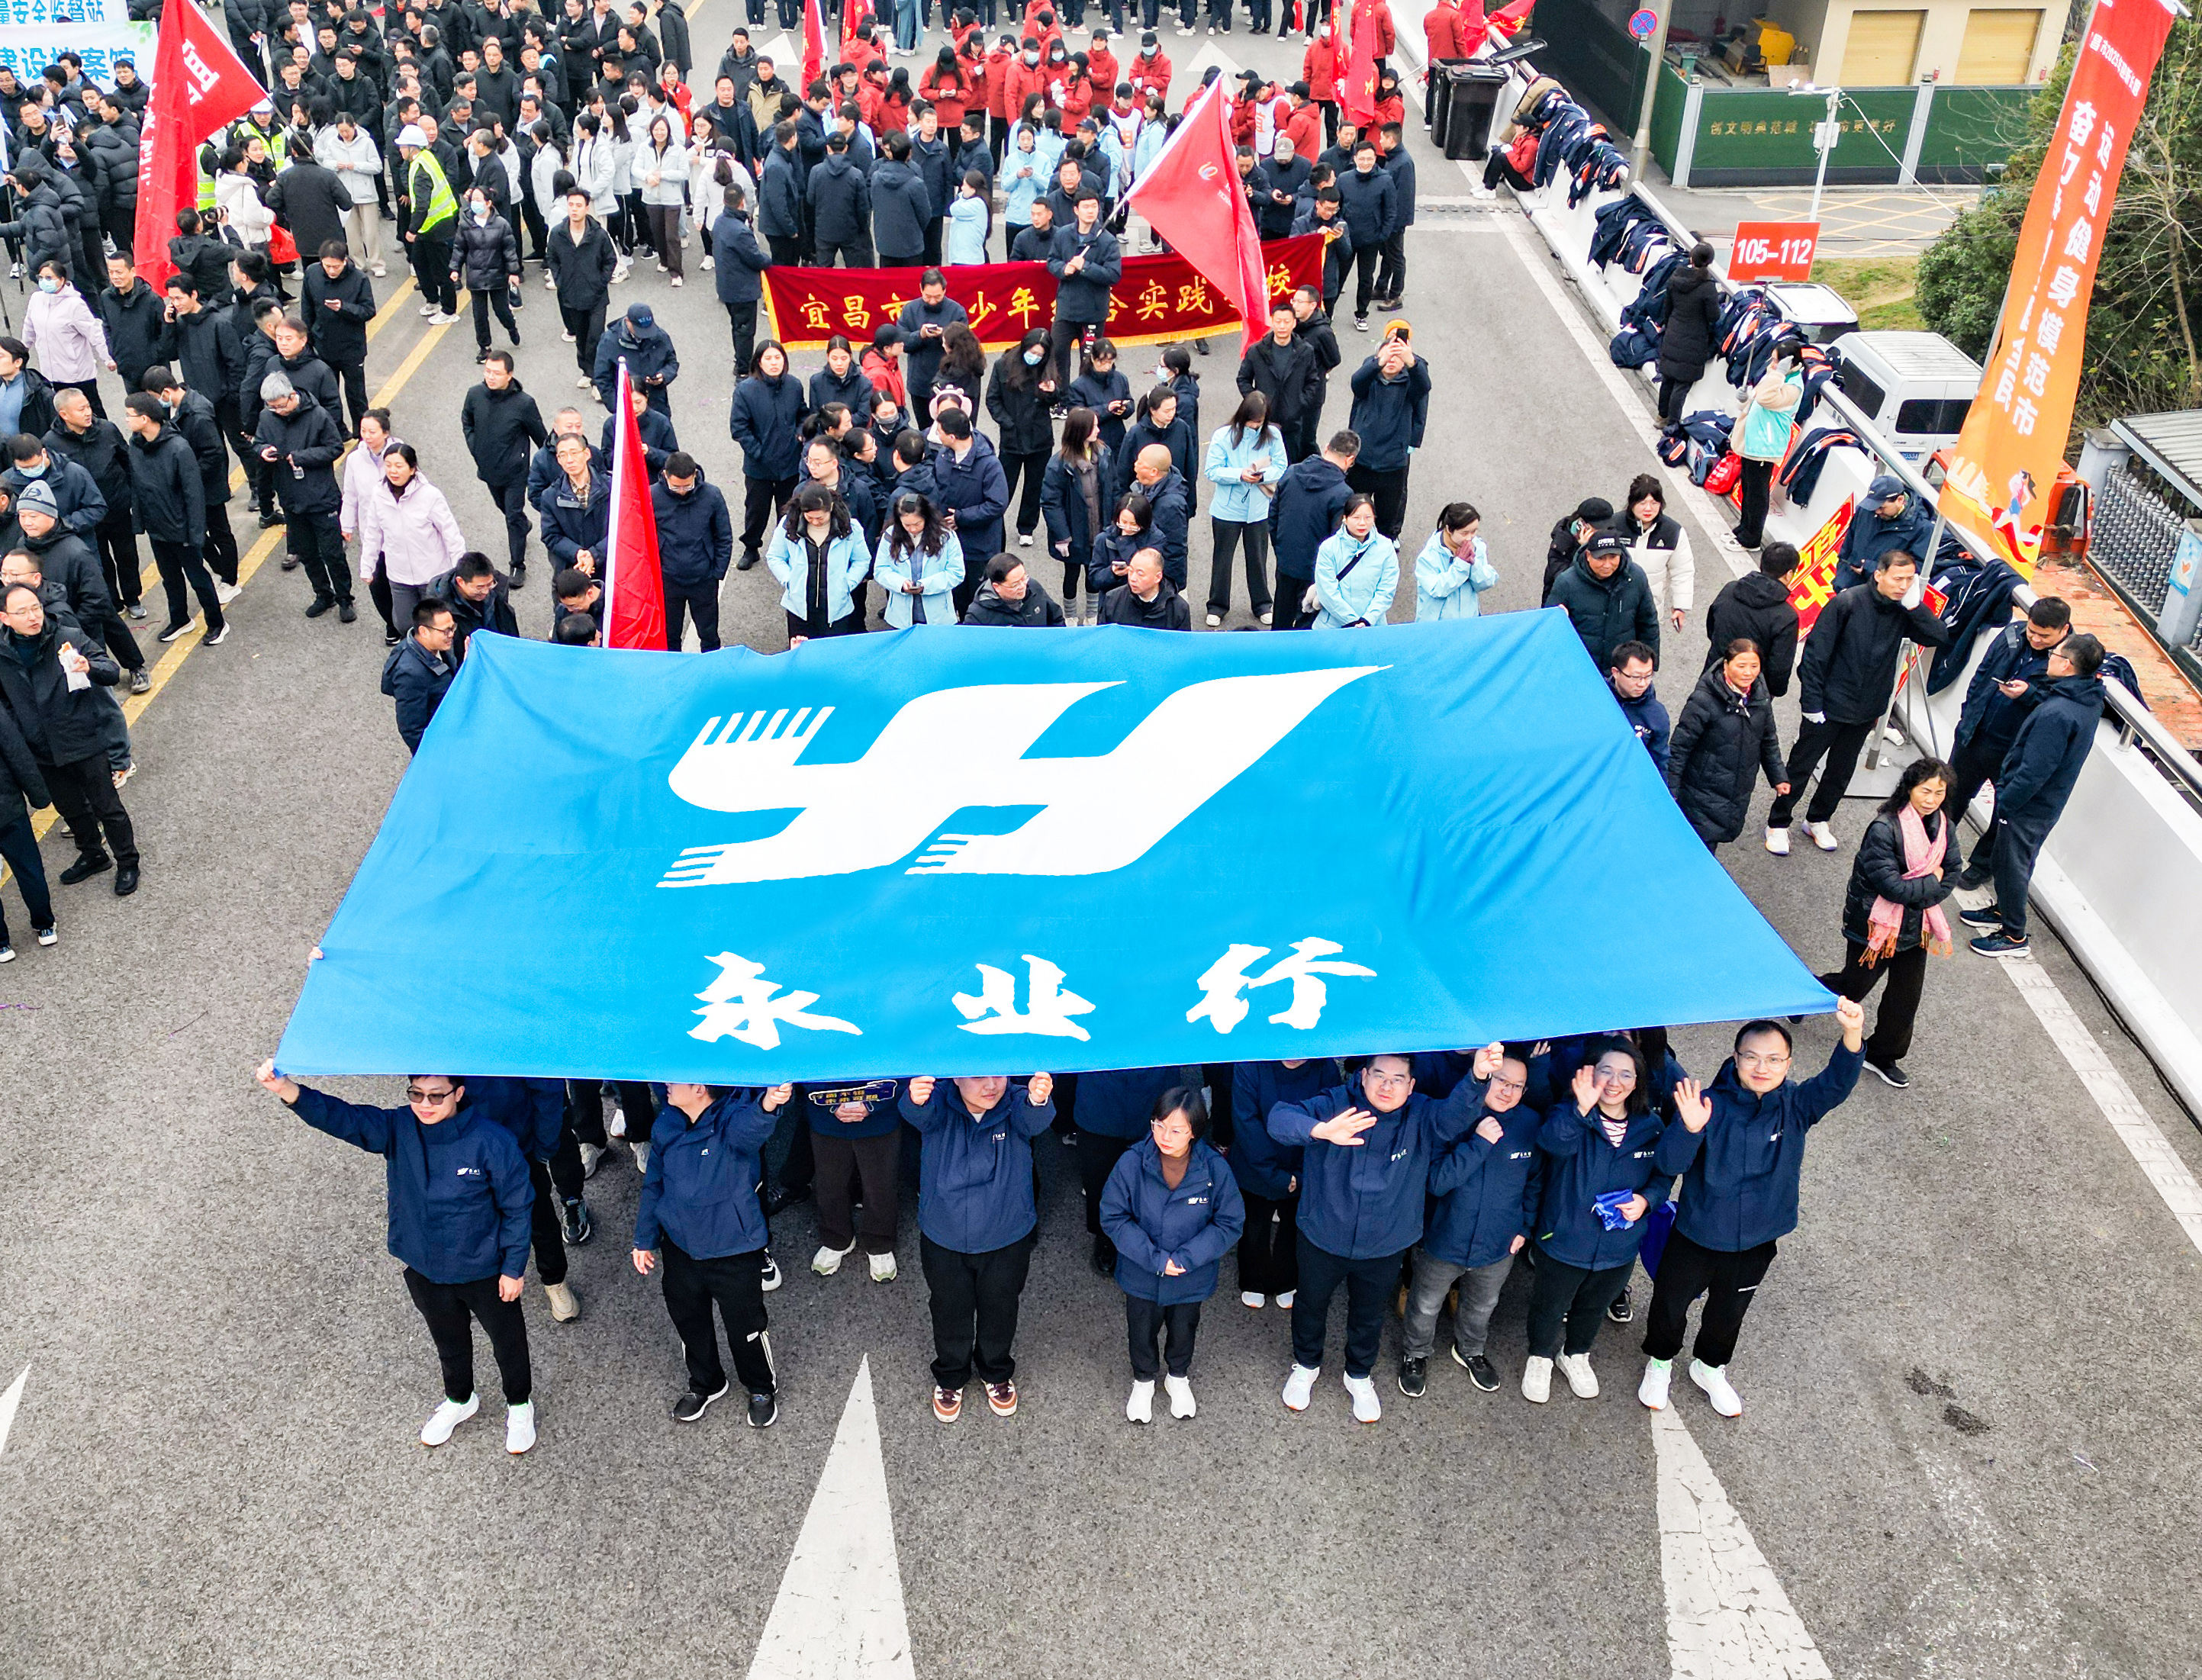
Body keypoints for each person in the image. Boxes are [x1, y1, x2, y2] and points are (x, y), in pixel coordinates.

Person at [254, 1060, 536, 1451]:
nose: (425, 1105)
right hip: (424, 1266)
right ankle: (460, 1399)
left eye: (436, 1096)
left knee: (508, 1343)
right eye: (416, 1094)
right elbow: (344, 1119)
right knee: (449, 1341)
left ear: (459, 1093)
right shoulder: (399, 1127)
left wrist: (513, 1268)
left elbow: (518, 1207)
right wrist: (287, 1090)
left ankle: (520, 1406)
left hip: (485, 1269)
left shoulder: (493, 1141)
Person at [1639, 1000, 1866, 1418]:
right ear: (1736, 1057)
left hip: (1759, 1239)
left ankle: (1710, 1368)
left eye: (1774, 1059)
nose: (1763, 1067)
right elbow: (1669, 1164)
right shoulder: (1706, 1104)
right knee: (1670, 1304)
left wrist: (1852, 1033)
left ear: (1788, 1063)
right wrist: (1689, 1128)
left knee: (1729, 1312)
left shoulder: (1796, 1104)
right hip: (1697, 1233)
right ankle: (1660, 1362)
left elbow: (1836, 1082)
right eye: (1752, 1057)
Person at [1266, 1055, 1477, 1422]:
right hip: (1323, 1235)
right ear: (1363, 1077)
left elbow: (1455, 1117)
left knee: (1368, 1315)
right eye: (1379, 1075)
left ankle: (1359, 1374)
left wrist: (1479, 1076)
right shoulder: (1335, 1103)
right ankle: (1306, 1365)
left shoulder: (1422, 1113)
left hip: (1385, 1243)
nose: (1387, 1086)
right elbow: (1278, 1119)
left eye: (1398, 1079)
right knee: (1310, 1305)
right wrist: (1321, 1130)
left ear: (1411, 1086)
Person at [1521, 1038, 1676, 1405]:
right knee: (1549, 1304)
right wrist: (1581, 1109)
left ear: (1637, 1082)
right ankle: (1540, 1357)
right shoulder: (1568, 1113)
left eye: (1626, 1074)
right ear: (1589, 1074)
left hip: (1619, 1244)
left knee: (1593, 1305)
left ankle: (1576, 1354)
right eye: (1606, 1071)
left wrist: (1647, 1201)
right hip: (1564, 1237)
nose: (1615, 1082)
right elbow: (1553, 1143)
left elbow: (1663, 1176)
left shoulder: (1650, 1126)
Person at [1766, 548, 1949, 855]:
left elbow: (1938, 637)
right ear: (1879, 575)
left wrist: (1916, 607)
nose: (1903, 585)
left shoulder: (1902, 611)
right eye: (1898, 578)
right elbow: (1815, 656)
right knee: (1800, 766)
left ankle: (1818, 819)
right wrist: (1811, 704)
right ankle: (1778, 822)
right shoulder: (1847, 603)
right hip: (1828, 706)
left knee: (1841, 772)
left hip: (1867, 709)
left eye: (1909, 580)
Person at [632, 1082, 792, 1427]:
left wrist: (769, 1102)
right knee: (689, 1321)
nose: (666, 1084)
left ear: (700, 1089)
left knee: (746, 1327)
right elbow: (654, 1185)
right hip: (681, 1248)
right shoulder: (666, 1124)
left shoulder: (732, 1119)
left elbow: (752, 1127)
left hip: (734, 1250)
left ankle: (760, 1388)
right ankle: (706, 1383)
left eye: (674, 1080)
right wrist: (644, 1239)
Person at [901, 1070, 1058, 1421]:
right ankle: (950, 1375)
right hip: (945, 1234)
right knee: (949, 1309)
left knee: (1001, 1308)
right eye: (976, 1076)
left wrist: (1039, 1099)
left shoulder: (1017, 1102)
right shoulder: (937, 1102)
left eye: (998, 1074)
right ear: (954, 1077)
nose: (990, 1085)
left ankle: (996, 1371)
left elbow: (1035, 1121)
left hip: (1006, 1235)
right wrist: (914, 1097)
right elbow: (916, 1114)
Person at [1099, 1086, 1246, 1424]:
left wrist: (1186, 1259)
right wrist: (1155, 1258)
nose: (1165, 1137)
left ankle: (1178, 1376)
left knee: (1185, 1328)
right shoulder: (1132, 1162)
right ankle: (1143, 1380)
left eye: (1177, 1130)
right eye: (1159, 1125)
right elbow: (1113, 1215)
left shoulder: (1214, 1168)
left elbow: (1229, 1221)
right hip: (1142, 1271)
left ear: (1195, 1131)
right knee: (1140, 1328)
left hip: (1190, 1274)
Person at [1399, 1044, 1539, 1397]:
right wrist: (1479, 1143)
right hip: (1444, 1238)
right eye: (1501, 1080)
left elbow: (1535, 1183)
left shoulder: (1530, 1124)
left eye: (1517, 1086)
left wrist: (1524, 1229)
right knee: (1425, 1303)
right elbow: (1437, 1182)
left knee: (1482, 1305)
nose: (1507, 1091)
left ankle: (1471, 1350)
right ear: (1484, 1077)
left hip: (1499, 1243)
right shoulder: (1452, 1118)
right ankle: (1416, 1354)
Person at [1961, 633, 2107, 961]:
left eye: (2055, 653)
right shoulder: (2087, 699)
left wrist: (2007, 801)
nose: (2050, 657)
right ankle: (2003, 911)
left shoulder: (2058, 713)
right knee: (2014, 860)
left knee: (2010, 865)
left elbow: (2035, 769)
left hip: (2028, 806)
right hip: (2044, 803)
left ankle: (2014, 935)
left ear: (2067, 665)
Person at [1817, 757, 1957, 1086]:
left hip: (1916, 926)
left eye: (1939, 793)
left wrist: (1923, 894)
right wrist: (1932, 884)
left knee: (1905, 998)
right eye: (1925, 791)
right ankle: (1810, 994)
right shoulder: (1883, 828)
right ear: (1909, 788)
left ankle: (1882, 1054)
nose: (1931, 800)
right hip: (1876, 925)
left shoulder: (1944, 827)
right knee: (1854, 987)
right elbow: (1892, 888)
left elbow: (1952, 871)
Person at [0, 582, 137, 896]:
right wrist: (21, 727)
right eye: (23, 612)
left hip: (82, 739)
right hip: (41, 749)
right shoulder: (3, 653)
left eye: (36, 608)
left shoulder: (68, 637)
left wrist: (90, 667)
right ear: (5, 618)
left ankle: (128, 861)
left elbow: (110, 670)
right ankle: (93, 854)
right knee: (71, 809)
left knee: (107, 807)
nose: (33, 617)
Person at [1946, 596, 2070, 888]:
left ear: (2063, 630)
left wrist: (2029, 695)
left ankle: (1981, 867)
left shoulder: (2067, 662)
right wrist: (1968, 715)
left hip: (2013, 752)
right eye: (2032, 631)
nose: (2036, 639)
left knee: (2003, 813)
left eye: (2044, 636)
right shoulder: (2012, 634)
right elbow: (1982, 675)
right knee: (1952, 796)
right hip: (1974, 735)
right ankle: (1936, 848)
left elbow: (2057, 707)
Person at [117, 395, 226, 649]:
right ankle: (180, 620)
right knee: (170, 578)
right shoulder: (136, 446)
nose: (126, 420)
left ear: (145, 419)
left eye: (130, 415)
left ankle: (217, 623)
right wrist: (140, 522)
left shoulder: (179, 448)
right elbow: (138, 487)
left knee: (198, 579)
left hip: (182, 528)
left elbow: (193, 494)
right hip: (157, 528)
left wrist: (195, 533)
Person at [1225, 1057, 1333, 1310]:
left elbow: (1330, 1120)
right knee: (1254, 1224)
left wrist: (1301, 1174)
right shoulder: (1250, 1064)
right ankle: (1253, 1279)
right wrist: (1277, 1175)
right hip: (1255, 1165)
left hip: (1304, 1165)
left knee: (1295, 1226)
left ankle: (1288, 1279)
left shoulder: (1325, 1067)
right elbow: (1246, 1122)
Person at [1666, 639, 1790, 851]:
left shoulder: (1760, 696)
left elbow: (1768, 738)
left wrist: (1778, 776)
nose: (1748, 673)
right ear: (1726, 665)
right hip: (1701, 788)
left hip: (1736, 787)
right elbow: (1680, 748)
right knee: (1700, 842)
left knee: (1715, 834)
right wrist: (1671, 789)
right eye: (1741, 666)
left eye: (1754, 666)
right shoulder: (1703, 700)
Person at [254, 373, 355, 620]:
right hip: (290, 498)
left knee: (333, 554)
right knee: (307, 553)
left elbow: (335, 447)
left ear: (292, 396)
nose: (276, 411)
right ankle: (323, 595)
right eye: (271, 407)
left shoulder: (318, 416)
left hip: (321, 497)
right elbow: (258, 442)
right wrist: (263, 450)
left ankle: (345, 599)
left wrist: (301, 457)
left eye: (280, 406)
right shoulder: (267, 417)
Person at [359, 440, 468, 636]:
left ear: (412, 469)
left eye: (399, 466)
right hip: (399, 575)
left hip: (432, 575)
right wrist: (367, 566)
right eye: (388, 465)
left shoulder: (430, 495)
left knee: (439, 628)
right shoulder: (379, 494)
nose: (393, 471)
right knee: (404, 626)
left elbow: (451, 535)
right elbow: (373, 532)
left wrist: (458, 572)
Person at [461, 352, 550, 585]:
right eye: (488, 371)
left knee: (512, 515)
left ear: (509, 375)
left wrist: (551, 464)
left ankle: (517, 565)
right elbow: (467, 421)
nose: (490, 377)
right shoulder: (475, 394)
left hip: (515, 472)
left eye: (497, 373)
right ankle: (523, 525)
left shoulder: (524, 403)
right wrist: (475, 447)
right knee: (504, 508)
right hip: (489, 469)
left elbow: (541, 438)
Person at [1202, 389, 1286, 626]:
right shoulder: (1223, 435)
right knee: (1222, 559)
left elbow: (1281, 465)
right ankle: (1217, 606)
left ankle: (1262, 604)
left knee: (1258, 559)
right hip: (1227, 510)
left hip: (1259, 509)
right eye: (1252, 421)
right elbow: (1212, 471)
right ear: (1242, 416)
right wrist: (1239, 474)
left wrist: (1262, 476)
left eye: (1259, 422)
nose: (1255, 426)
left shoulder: (1273, 435)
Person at [727, 339, 807, 568]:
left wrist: (800, 433)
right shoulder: (745, 390)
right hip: (759, 466)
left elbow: (803, 414)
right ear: (759, 362)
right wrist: (758, 452)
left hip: (790, 463)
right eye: (768, 358)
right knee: (756, 511)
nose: (774, 363)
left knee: (789, 510)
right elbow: (739, 428)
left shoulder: (794, 385)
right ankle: (751, 548)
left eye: (778, 358)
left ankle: (787, 548)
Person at [1343, 327, 1425, 541]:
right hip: (1362, 462)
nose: (1392, 360)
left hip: (1392, 466)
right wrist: (1379, 362)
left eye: (1398, 356)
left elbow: (1424, 386)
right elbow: (1356, 382)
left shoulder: (1410, 384)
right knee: (1354, 514)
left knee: (1386, 522)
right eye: (1388, 354)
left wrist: (1412, 361)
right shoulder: (1369, 377)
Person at [765, 480, 871, 645]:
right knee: (801, 654)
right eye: (809, 517)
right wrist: (789, 580)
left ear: (830, 508)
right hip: (799, 611)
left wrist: (847, 584)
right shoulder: (788, 525)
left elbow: (862, 560)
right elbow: (775, 556)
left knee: (833, 653)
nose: (815, 522)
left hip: (836, 611)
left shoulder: (850, 527)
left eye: (820, 518)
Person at [1270, 429, 1354, 630]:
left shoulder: (1291, 473)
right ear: (1350, 459)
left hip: (1287, 560)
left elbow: (1273, 515)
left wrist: (1280, 548)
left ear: (1327, 448)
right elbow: (1338, 540)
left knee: (1280, 619)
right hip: (1316, 571)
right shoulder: (1343, 493)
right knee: (1309, 624)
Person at [652, 452, 735, 650]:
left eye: (687, 486)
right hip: (668, 580)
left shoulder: (712, 495)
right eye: (676, 487)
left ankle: (711, 665)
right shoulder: (652, 496)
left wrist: (717, 573)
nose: (682, 491)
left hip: (703, 579)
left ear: (695, 475)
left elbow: (724, 537)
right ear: (665, 475)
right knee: (669, 635)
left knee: (709, 635)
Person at [931, 407, 1010, 614]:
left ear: (952, 437)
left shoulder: (989, 465)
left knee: (979, 600)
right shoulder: (943, 457)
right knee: (955, 597)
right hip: (949, 542)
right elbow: (937, 491)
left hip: (980, 547)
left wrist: (961, 518)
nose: (936, 435)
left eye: (939, 431)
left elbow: (997, 504)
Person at [1550, 529, 1658, 674]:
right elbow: (1550, 629)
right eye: (1601, 558)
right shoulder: (1566, 583)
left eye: (1613, 557)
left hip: (1623, 670)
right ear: (1588, 555)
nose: (1607, 565)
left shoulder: (1636, 578)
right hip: (1580, 669)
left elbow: (1648, 623)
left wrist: (1650, 665)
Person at [1040, 405, 1112, 623]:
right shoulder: (1059, 464)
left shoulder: (1104, 453)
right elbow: (1051, 502)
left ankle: (1092, 614)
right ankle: (1070, 616)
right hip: (1074, 532)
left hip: (1099, 528)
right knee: (1071, 575)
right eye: (1094, 426)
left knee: (1094, 573)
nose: (1098, 430)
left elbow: (1114, 488)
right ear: (1081, 431)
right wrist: (1062, 535)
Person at [1701, 542, 1801, 697]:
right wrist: (1774, 691)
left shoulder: (1730, 589)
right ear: (1789, 574)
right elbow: (1779, 666)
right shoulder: (1786, 617)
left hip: (1713, 676)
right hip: (1751, 690)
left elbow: (1711, 627)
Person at [1045, 188, 1120, 388]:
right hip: (1066, 310)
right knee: (1057, 355)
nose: (1090, 211)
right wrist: (1063, 269)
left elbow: (1113, 275)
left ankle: (1085, 398)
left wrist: (1085, 267)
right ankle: (1061, 397)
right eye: (1086, 207)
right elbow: (1052, 261)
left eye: (1094, 206)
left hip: (1093, 312)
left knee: (1089, 361)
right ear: (1076, 210)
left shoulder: (1107, 240)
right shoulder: (1063, 234)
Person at [299, 242, 375, 436]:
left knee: (356, 394)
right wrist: (308, 339)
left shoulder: (359, 279)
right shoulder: (312, 274)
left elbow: (368, 310)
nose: (332, 270)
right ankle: (336, 432)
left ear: (345, 261)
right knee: (328, 395)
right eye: (327, 266)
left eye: (336, 266)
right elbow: (307, 308)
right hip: (323, 345)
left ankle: (362, 432)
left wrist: (343, 308)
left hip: (351, 348)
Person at [547, 187, 619, 390]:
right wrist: (561, 282)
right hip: (572, 296)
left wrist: (600, 282)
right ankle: (587, 371)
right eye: (571, 205)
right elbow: (552, 258)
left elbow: (610, 260)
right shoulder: (558, 234)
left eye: (579, 205)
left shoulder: (599, 234)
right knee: (582, 338)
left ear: (587, 208)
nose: (574, 209)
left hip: (596, 297)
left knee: (596, 337)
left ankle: (598, 379)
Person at [0, 692, 53, 960]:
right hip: (7, 806)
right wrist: (39, 795)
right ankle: (44, 926)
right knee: (28, 868)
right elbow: (15, 751)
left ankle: (2, 944)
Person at [23, 261, 111, 419]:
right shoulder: (36, 299)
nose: (44, 281)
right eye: (41, 278)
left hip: (76, 373)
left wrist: (108, 358)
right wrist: (22, 351)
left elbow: (94, 333)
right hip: (50, 372)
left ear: (62, 280)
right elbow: (29, 327)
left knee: (90, 411)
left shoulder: (75, 305)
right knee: (63, 415)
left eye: (49, 278)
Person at [1732, 349, 1801, 549]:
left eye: (1777, 360)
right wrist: (1745, 399)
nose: (1772, 363)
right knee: (1747, 487)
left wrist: (1778, 374)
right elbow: (1756, 398)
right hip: (1753, 442)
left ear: (1789, 362)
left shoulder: (1793, 386)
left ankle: (1752, 539)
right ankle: (1744, 528)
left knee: (1757, 494)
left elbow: (1766, 399)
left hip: (1765, 446)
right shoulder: (1775, 376)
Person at [396, 124, 463, 323]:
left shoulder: (420, 170)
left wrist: (412, 230)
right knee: (420, 263)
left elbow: (422, 205)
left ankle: (449, 311)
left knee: (441, 270)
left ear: (412, 148)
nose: (400, 150)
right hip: (430, 226)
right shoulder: (424, 158)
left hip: (437, 227)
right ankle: (433, 301)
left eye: (403, 146)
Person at [1610, 474, 1692, 633]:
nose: (1648, 509)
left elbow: (1683, 571)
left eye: (1654, 503)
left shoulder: (1673, 532)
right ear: (1632, 503)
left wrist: (1680, 607)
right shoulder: (1614, 526)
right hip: (1614, 610)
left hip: (1649, 612)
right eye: (1642, 503)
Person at [452, 186, 524, 359]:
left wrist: (513, 272)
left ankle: (511, 327)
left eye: (478, 200)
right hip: (476, 277)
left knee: (501, 310)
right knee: (480, 315)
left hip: (497, 276)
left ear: (489, 203)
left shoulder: (501, 224)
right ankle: (485, 346)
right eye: (473, 200)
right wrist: (455, 269)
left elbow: (509, 251)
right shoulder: (465, 225)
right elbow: (459, 248)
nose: (474, 204)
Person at [382, 597, 460, 753]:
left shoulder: (438, 645)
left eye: (453, 627)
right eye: (446, 630)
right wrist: (432, 756)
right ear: (424, 632)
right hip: (440, 746)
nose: (451, 634)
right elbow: (412, 729)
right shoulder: (410, 675)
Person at [1833, 473, 1933, 594]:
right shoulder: (1866, 511)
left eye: (1882, 507)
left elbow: (1916, 569)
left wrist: (1871, 569)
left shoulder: (1922, 528)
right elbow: (1847, 549)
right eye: (1873, 506)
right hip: (1846, 589)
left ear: (1900, 500)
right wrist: (1841, 582)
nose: (1877, 511)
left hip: (1881, 597)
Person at [1656, 242, 1721, 426]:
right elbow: (1714, 316)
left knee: (1668, 378)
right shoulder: (1707, 287)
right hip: (1694, 341)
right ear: (1709, 262)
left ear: (1691, 258)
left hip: (1673, 333)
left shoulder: (1676, 277)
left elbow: (1667, 308)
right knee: (1682, 385)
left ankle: (1661, 416)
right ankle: (1672, 424)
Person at [877, 491, 963, 628]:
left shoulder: (946, 536)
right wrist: (900, 583)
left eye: (917, 524)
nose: (912, 529)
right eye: (906, 525)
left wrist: (926, 586)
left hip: (938, 616)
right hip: (900, 617)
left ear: (926, 517)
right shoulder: (890, 535)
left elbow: (956, 573)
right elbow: (880, 570)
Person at [710, 185, 771, 375]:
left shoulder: (719, 222)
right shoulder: (740, 231)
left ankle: (740, 361)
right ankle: (744, 368)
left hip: (726, 286)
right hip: (742, 290)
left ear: (724, 201)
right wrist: (770, 261)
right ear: (742, 202)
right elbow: (755, 258)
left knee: (737, 327)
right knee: (745, 331)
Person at [1311, 493, 1396, 629]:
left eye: (1368, 517)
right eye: (1356, 518)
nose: (1362, 523)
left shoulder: (1385, 547)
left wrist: (1368, 619)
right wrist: (1351, 621)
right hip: (1334, 627)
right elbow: (1327, 591)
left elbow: (1387, 588)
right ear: (1345, 518)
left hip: (1372, 626)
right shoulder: (1328, 548)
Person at [1334, 139, 1395, 331]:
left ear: (1375, 158)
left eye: (1370, 159)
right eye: (1362, 159)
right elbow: (1336, 207)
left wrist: (1382, 236)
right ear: (1355, 158)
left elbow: (1390, 211)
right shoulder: (1344, 179)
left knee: (1366, 279)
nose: (1366, 163)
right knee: (1338, 276)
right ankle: (1328, 311)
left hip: (1371, 240)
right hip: (1346, 239)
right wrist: (1339, 230)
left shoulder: (1385, 180)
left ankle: (1361, 314)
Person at [1412, 501, 1496, 622]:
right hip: (1438, 624)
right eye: (1464, 533)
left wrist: (1473, 563)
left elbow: (1485, 583)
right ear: (1449, 529)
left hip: (1468, 621)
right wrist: (1461, 565)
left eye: (1473, 531)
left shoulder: (1477, 546)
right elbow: (1437, 590)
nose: (1470, 538)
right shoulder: (1428, 557)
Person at [592, 300, 680, 414]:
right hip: (627, 408)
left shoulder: (660, 336)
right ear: (627, 322)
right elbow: (602, 377)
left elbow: (672, 362)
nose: (644, 335)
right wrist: (617, 407)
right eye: (640, 330)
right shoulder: (609, 341)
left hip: (657, 405)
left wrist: (663, 376)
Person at [637, 114, 690, 282]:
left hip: (672, 199)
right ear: (651, 131)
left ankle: (676, 272)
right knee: (658, 233)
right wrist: (647, 176)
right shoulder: (644, 147)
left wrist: (664, 174)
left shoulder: (678, 149)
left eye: (663, 129)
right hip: (652, 197)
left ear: (668, 130)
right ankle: (665, 261)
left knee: (671, 236)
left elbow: (684, 173)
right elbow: (636, 168)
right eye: (656, 129)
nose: (659, 133)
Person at [1607, 639, 1669, 772]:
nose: (1642, 684)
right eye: (1636, 677)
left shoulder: (1657, 715)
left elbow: (1659, 762)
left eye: (1648, 676)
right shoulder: (1597, 696)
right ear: (1616, 672)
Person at [1095, 543, 1189, 629]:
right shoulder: (1112, 601)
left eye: (1140, 574)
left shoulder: (1178, 610)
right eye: (1131, 571)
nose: (1133, 579)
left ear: (1158, 577)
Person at [964, 551, 1067, 626]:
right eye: (1015, 585)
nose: (1023, 586)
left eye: (1024, 578)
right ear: (997, 587)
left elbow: (1056, 619)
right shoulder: (977, 616)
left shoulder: (1034, 587)